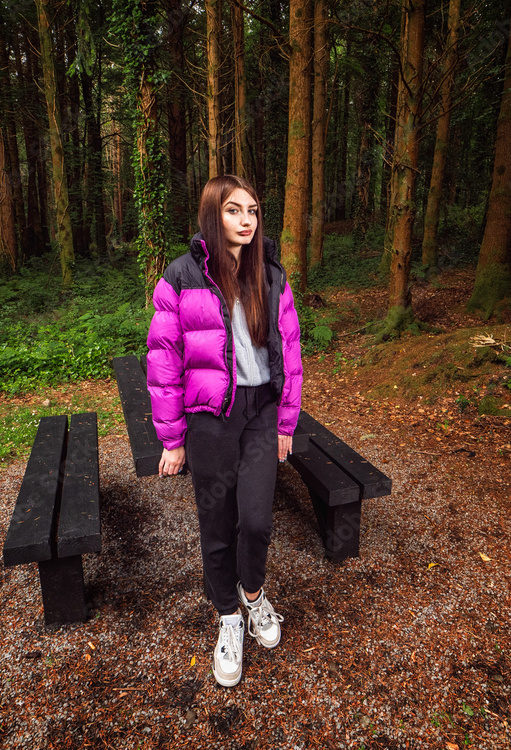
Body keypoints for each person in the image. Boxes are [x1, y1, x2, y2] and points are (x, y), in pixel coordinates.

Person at [146, 174, 303, 687]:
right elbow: (163, 360)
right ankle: (228, 618)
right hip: (210, 418)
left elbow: (290, 353)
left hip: (259, 410)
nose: (247, 221)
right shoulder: (181, 275)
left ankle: (253, 595)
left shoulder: (272, 274)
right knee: (216, 521)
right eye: (235, 211)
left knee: (256, 519)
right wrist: (171, 437)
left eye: (254, 211)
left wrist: (285, 420)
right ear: (214, 214)